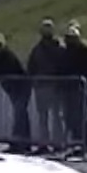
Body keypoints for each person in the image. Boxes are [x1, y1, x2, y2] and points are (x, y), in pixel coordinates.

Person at [26, 19, 67, 153]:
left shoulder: (57, 47)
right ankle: (46, 143)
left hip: (54, 85)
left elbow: (63, 65)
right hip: (43, 85)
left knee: (56, 115)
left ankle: (57, 143)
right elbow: (31, 66)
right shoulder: (39, 49)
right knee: (45, 116)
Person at [60, 22, 87, 153]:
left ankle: (83, 144)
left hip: (79, 88)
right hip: (67, 88)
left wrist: (85, 81)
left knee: (80, 117)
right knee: (69, 117)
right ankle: (75, 142)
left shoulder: (84, 50)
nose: (69, 40)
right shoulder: (65, 51)